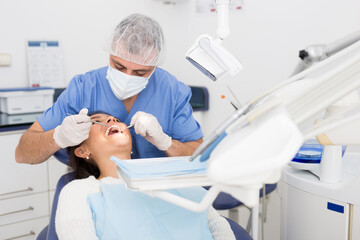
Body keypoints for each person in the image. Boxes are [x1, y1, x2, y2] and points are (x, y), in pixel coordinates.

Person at [15, 13, 203, 165]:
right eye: (119, 67)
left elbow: (199, 157)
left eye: (140, 72)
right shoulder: (84, 88)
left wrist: (166, 143)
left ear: (155, 66)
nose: (128, 77)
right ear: (111, 51)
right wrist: (58, 137)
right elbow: (22, 153)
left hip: (158, 193)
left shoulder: (172, 91)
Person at [55, 112, 235, 239]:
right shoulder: (79, 190)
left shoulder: (172, 177)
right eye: (96, 121)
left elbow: (215, 224)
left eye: (116, 119)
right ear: (82, 150)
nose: (111, 119)